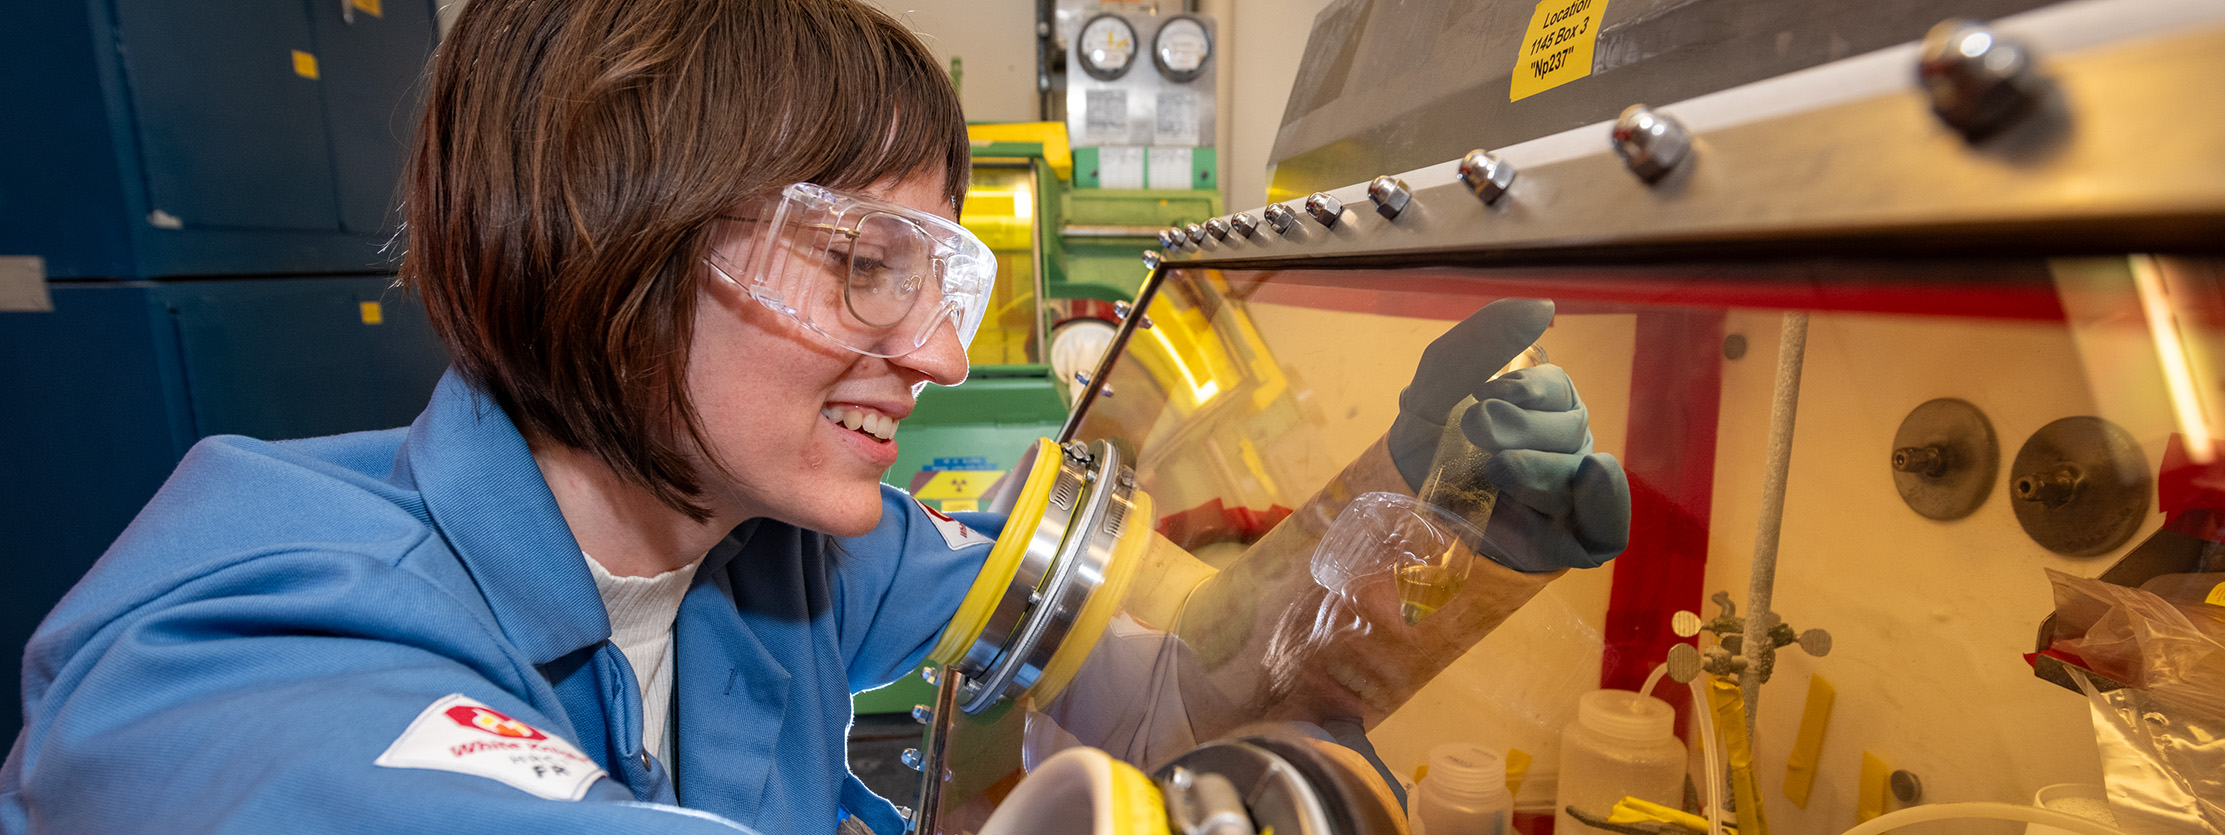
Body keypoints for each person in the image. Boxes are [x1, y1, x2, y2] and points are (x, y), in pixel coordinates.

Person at [1, 1, 1627, 834]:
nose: (928, 353)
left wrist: (1422, 531)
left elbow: (1176, 696)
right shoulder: (235, 622)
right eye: (865, 264)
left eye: (949, 281)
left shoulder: (787, 555)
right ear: (606, 234)